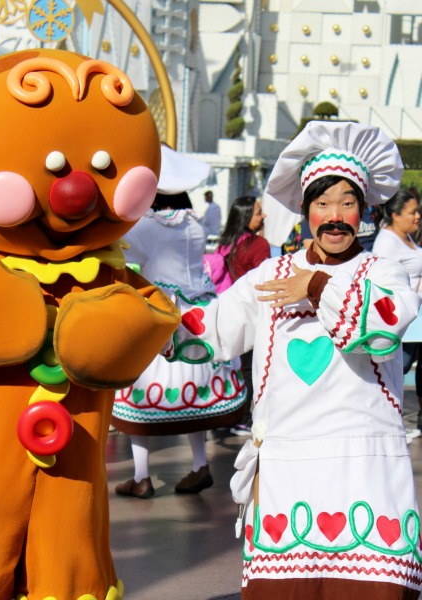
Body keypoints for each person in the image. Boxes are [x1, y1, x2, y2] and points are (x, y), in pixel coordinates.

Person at [166, 121, 422, 598]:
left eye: (348, 203)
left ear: (363, 210)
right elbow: (210, 328)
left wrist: (316, 286)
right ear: (305, 210)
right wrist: (151, 322)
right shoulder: (272, 274)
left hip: (364, 467)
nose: (335, 216)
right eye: (322, 203)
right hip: (287, 468)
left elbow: (385, 328)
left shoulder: (381, 271)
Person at [112, 189, 246, 499]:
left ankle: (141, 476)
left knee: (140, 400)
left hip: (160, 314)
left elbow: (122, 255)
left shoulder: (145, 226)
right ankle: (200, 465)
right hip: (196, 316)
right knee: (195, 398)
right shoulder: (196, 224)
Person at [206, 195, 270, 435]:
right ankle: (242, 417)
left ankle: (224, 414)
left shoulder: (225, 243)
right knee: (250, 367)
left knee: (229, 365)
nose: (263, 216)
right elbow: (264, 280)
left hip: (225, 309)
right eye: (258, 212)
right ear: (245, 217)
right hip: (252, 312)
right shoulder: (258, 246)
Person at [373, 189, 422, 435]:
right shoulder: (386, 242)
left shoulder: (407, 238)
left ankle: (397, 423)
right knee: (396, 369)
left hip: (416, 320)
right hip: (402, 320)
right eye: (412, 212)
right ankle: (390, 425)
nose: (417, 217)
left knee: (406, 368)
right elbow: (381, 283)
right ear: (395, 215)